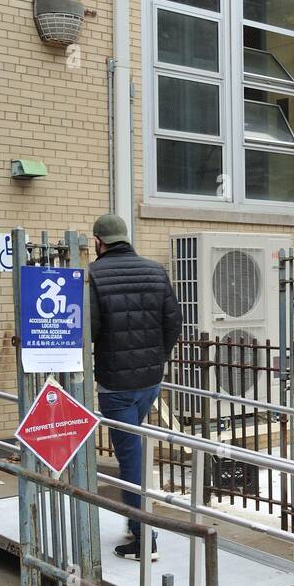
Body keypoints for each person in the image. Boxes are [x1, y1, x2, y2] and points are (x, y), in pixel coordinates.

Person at [88, 214, 183, 561]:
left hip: (115, 384)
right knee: (133, 452)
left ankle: (145, 540)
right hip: (149, 381)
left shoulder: (94, 275)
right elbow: (173, 322)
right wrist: (158, 359)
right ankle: (134, 521)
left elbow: (90, 329)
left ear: (99, 241)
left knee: (130, 459)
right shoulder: (156, 270)